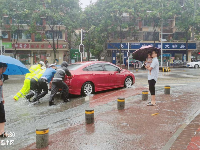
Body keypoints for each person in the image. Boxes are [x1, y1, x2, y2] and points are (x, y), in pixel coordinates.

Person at [0, 63, 8, 137]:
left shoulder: (2, 76)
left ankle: (1, 132)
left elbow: (1, 88)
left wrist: (2, 97)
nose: (5, 70)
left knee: (2, 114)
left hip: (0, 99)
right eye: (4, 68)